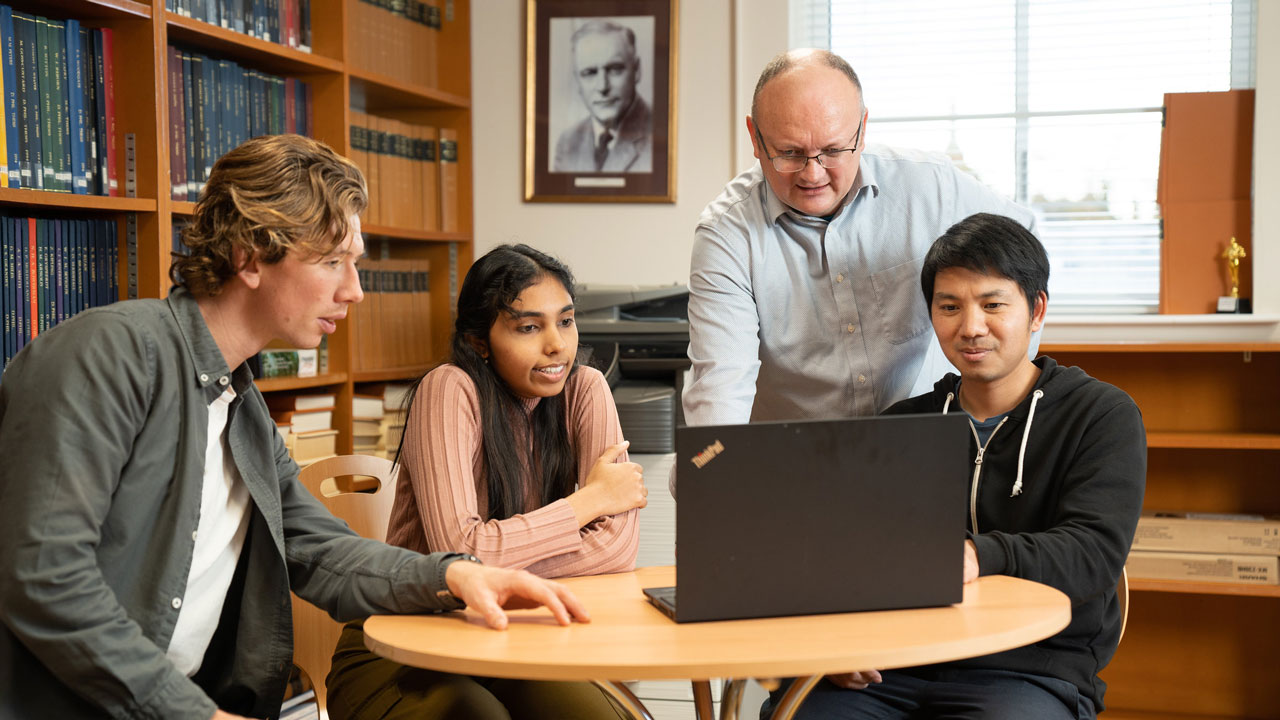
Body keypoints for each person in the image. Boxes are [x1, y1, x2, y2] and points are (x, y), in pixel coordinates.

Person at [0, 135, 589, 720]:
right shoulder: (107, 354)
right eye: (332, 261)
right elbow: (46, 580)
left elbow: (320, 549)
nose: (354, 290)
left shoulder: (241, 406)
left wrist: (455, 575)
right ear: (250, 256)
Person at [763, 212, 1146, 719]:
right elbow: (845, 557)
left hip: (1027, 670)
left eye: (993, 305)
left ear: (1036, 311)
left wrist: (978, 556)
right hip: (891, 665)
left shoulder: (1100, 415)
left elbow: (1093, 553)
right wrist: (833, 646)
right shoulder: (903, 423)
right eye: (950, 307)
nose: (971, 328)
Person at [682, 49, 1037, 479]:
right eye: (790, 153)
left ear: (863, 130)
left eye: (833, 150)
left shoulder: (931, 189)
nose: (812, 174)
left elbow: (1025, 239)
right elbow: (722, 388)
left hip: (935, 449)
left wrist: (1001, 393)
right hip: (801, 465)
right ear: (755, 138)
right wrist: (707, 482)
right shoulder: (727, 234)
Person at [325, 244, 645, 719]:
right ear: (480, 341)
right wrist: (591, 502)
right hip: (403, 643)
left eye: (566, 321)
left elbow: (616, 550)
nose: (556, 344)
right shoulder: (449, 389)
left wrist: (493, 566)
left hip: (517, 639)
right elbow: (459, 552)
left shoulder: (586, 389)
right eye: (529, 327)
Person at [553, 19, 652, 173]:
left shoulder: (661, 135)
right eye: (589, 73)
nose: (602, 86)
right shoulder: (568, 143)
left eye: (614, 69)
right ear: (577, 81)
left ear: (637, 71)